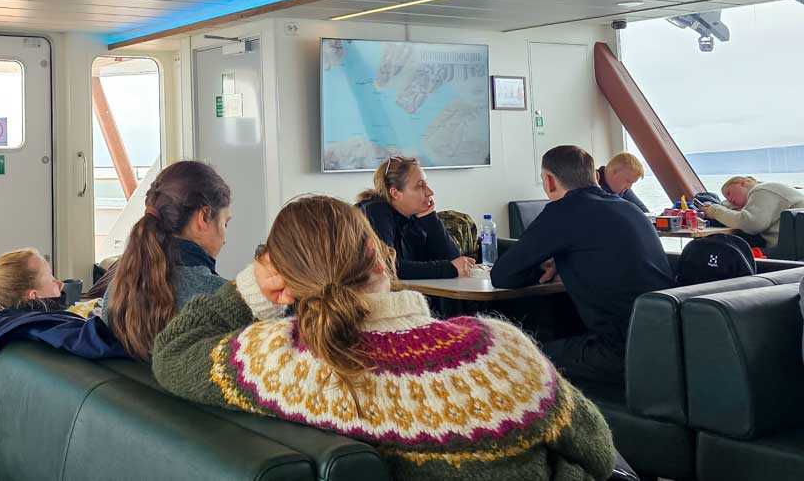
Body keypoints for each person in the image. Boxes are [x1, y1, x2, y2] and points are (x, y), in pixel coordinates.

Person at [152, 195, 616, 481]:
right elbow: (596, 452)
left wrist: (254, 284)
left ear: (287, 282)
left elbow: (174, 352)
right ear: (379, 254)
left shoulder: (283, 362)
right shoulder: (499, 351)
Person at [492, 145, 674, 387]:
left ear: (549, 181)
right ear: (595, 177)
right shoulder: (630, 209)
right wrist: (562, 261)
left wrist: (538, 271)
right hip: (666, 344)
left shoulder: (563, 211)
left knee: (515, 358)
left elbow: (502, 275)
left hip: (620, 352)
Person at [103, 160, 231, 359]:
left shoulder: (115, 291)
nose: (225, 239)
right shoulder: (219, 299)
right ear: (204, 217)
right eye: (225, 223)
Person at [355, 156, 475, 279]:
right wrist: (449, 268)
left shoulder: (412, 215)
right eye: (420, 186)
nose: (430, 192)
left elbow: (453, 258)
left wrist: (429, 217)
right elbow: (388, 266)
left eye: (426, 184)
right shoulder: (375, 211)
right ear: (395, 193)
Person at [702, 175, 804, 249]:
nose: (730, 199)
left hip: (786, 248)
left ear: (744, 183)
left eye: (729, 193)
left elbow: (751, 224)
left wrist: (714, 211)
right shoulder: (768, 191)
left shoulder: (762, 189)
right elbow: (729, 204)